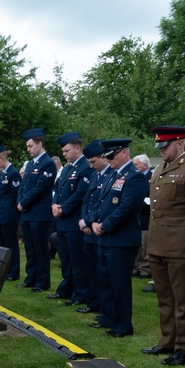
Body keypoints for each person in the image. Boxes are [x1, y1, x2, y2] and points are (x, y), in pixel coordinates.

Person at [141, 126, 185, 366]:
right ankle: (167, 339)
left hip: (182, 244)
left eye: (166, 145)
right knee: (165, 297)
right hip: (158, 242)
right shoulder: (160, 169)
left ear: (180, 143)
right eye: (159, 146)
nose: (162, 150)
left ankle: (184, 347)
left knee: (184, 300)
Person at [88, 139, 148, 337]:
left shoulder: (135, 177)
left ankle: (122, 325)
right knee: (104, 280)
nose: (109, 160)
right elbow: (100, 203)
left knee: (119, 284)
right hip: (105, 236)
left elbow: (127, 208)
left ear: (124, 153)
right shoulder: (113, 175)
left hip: (121, 239)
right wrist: (95, 222)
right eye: (106, 156)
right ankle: (108, 317)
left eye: (111, 156)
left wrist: (105, 225)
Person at [17, 128, 57, 292]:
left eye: (31, 146)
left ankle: (42, 281)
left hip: (39, 213)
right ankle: (31, 277)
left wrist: (24, 202)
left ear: (40, 144)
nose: (28, 149)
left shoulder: (48, 163)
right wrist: (20, 200)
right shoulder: (32, 163)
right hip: (27, 213)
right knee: (30, 248)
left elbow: (40, 188)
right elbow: (24, 186)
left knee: (40, 248)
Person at [50, 132, 88, 302]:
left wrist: (63, 208)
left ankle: (79, 293)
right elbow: (58, 190)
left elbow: (80, 193)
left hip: (73, 220)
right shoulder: (67, 168)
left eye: (66, 151)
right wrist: (54, 204)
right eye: (63, 151)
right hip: (62, 221)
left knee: (78, 261)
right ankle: (66, 289)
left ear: (77, 148)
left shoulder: (85, 167)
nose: (64, 154)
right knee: (65, 259)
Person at [75, 140, 108, 314]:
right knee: (90, 270)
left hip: (99, 228)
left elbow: (102, 204)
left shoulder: (110, 174)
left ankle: (103, 308)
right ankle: (93, 303)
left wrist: (88, 221)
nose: (91, 165)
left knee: (101, 273)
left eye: (93, 161)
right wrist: (84, 220)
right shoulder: (95, 175)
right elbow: (87, 200)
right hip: (88, 227)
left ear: (103, 157)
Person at [0, 145, 21, 281]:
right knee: (1, 244)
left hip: (8, 215)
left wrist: (13, 214)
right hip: (0, 214)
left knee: (10, 245)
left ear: (3, 158)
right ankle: (3, 269)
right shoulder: (3, 173)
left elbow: (16, 196)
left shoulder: (13, 173)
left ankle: (13, 272)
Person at [131, 154, 152, 278]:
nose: (134, 167)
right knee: (136, 245)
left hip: (146, 216)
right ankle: (134, 268)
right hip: (136, 215)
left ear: (145, 165)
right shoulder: (134, 177)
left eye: (136, 164)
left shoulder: (152, 177)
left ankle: (144, 270)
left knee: (145, 246)